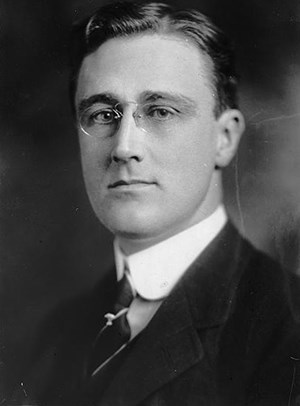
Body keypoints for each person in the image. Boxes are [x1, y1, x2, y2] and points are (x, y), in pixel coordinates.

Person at [10, 1, 300, 405]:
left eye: (161, 111)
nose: (124, 147)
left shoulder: (285, 332)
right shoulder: (58, 332)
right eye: (101, 114)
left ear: (225, 138)